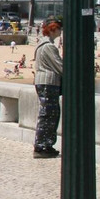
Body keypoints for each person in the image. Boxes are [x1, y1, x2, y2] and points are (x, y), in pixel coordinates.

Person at [33, 16, 63, 159]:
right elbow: (60, 66)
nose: (60, 30)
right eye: (58, 28)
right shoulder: (49, 47)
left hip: (43, 81)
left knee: (48, 113)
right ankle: (42, 146)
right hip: (48, 82)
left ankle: (44, 145)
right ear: (52, 29)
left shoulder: (41, 44)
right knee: (49, 114)